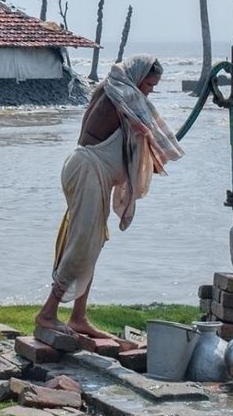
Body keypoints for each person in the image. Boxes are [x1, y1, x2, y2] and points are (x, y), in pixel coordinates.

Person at [35, 55, 183, 339]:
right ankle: (48, 313)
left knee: (94, 243)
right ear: (137, 77)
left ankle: (78, 316)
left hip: (89, 172)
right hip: (88, 171)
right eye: (148, 85)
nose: (149, 92)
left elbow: (138, 138)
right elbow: (147, 134)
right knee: (81, 244)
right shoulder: (121, 94)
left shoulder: (116, 91)